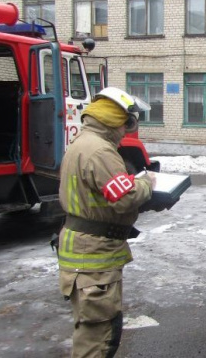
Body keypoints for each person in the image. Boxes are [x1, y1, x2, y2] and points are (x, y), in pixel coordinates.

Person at [57, 87, 156, 358]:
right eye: (125, 124)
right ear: (114, 120)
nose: (126, 132)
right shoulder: (100, 151)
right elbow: (124, 198)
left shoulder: (82, 143)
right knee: (99, 337)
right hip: (93, 257)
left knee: (91, 331)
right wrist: (146, 183)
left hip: (86, 251)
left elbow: (108, 192)